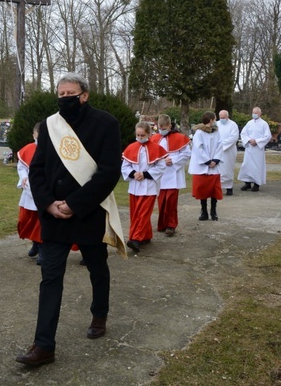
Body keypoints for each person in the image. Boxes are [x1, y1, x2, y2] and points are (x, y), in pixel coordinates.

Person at [15, 72, 124, 367]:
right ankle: (44, 345)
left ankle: (99, 314)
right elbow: (37, 169)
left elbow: (109, 171)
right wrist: (48, 203)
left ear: (84, 95)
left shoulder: (106, 123)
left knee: (97, 269)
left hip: (87, 212)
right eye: (60, 94)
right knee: (50, 279)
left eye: (70, 94)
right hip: (54, 216)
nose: (65, 99)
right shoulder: (51, 125)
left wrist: (75, 204)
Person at [121, 121, 166, 252]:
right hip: (135, 186)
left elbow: (161, 166)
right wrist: (134, 173)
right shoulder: (131, 147)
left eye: (142, 135)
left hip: (149, 186)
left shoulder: (156, 148)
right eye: (138, 135)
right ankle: (145, 236)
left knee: (143, 214)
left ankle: (136, 239)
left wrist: (145, 174)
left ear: (149, 134)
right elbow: (125, 166)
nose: (140, 137)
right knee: (135, 213)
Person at [150, 114, 191, 236]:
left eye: (164, 127)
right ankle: (162, 224)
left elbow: (187, 154)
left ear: (169, 125)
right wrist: (161, 161)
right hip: (160, 174)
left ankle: (171, 225)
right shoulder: (154, 138)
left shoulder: (179, 138)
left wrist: (172, 160)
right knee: (161, 201)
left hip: (173, 173)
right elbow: (150, 155)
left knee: (171, 201)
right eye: (159, 127)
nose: (161, 130)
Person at [189, 111, 224, 220]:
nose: (216, 121)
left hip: (214, 166)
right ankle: (204, 211)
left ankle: (213, 211)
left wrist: (216, 160)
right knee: (203, 190)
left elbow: (220, 145)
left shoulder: (216, 132)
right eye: (214, 119)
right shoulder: (199, 133)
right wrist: (208, 161)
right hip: (203, 167)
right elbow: (198, 149)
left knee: (214, 190)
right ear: (210, 120)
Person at [17, 123, 43, 264]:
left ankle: (43, 249)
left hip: (45, 191)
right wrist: (24, 178)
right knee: (29, 219)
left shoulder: (52, 149)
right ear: (34, 135)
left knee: (42, 222)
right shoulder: (28, 149)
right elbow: (21, 167)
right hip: (29, 191)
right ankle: (36, 243)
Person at [237, 107, 272, 192]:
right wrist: (249, 140)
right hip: (249, 148)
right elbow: (243, 133)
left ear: (260, 114)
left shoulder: (264, 124)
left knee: (257, 166)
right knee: (247, 165)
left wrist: (257, 141)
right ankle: (247, 183)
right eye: (253, 113)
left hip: (258, 149)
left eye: (256, 113)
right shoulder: (249, 123)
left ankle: (256, 184)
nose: (254, 114)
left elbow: (267, 136)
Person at [217, 110, 239, 196]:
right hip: (218, 151)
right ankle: (218, 188)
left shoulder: (233, 125)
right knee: (219, 170)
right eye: (221, 118)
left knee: (228, 169)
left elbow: (233, 137)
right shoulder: (216, 124)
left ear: (227, 117)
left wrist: (222, 144)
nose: (222, 119)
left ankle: (229, 187)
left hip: (229, 151)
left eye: (224, 117)